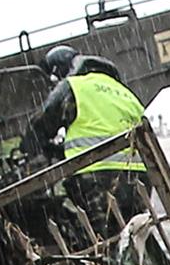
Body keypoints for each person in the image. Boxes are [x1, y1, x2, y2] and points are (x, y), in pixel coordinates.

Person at [21, 45, 152, 232]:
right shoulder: (125, 93)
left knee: (101, 240)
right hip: (140, 180)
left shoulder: (73, 87)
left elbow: (40, 125)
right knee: (131, 239)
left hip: (98, 178)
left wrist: (32, 148)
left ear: (58, 72)